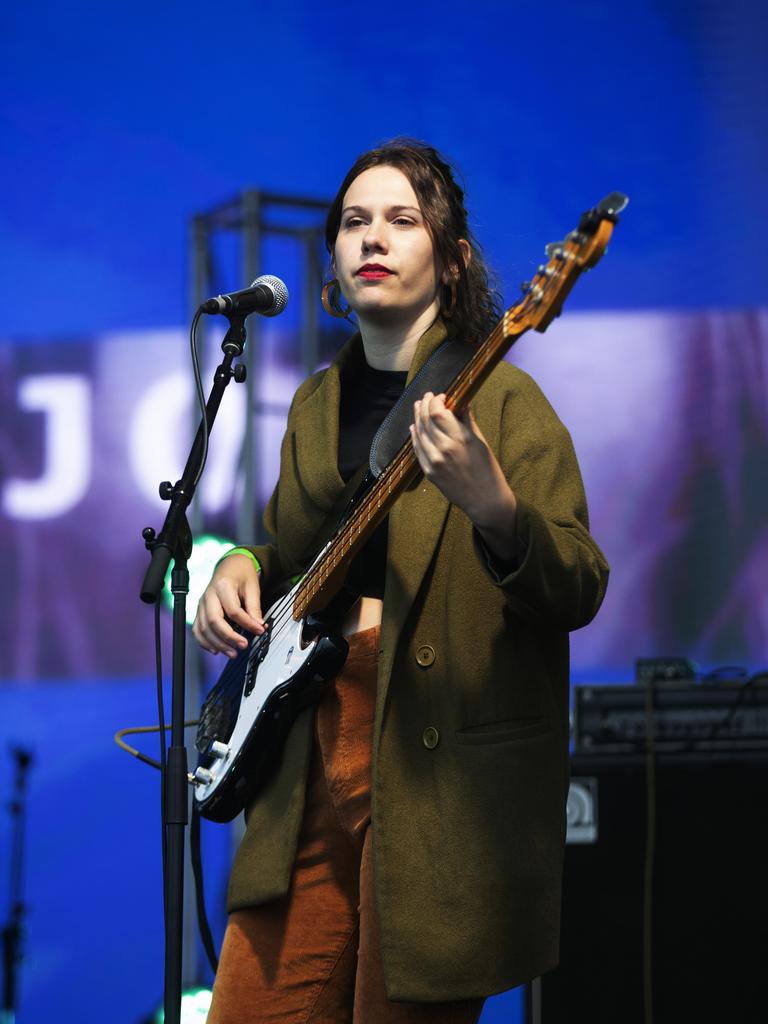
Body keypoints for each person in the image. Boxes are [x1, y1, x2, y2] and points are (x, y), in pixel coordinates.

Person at [193, 139, 609, 1023]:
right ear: (335, 264)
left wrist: (495, 507)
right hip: (304, 750)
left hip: (435, 763)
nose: (371, 237)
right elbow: (290, 557)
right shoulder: (313, 404)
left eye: (401, 220)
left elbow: (578, 583)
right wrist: (235, 566)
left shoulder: (505, 404)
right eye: (353, 223)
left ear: (451, 262)